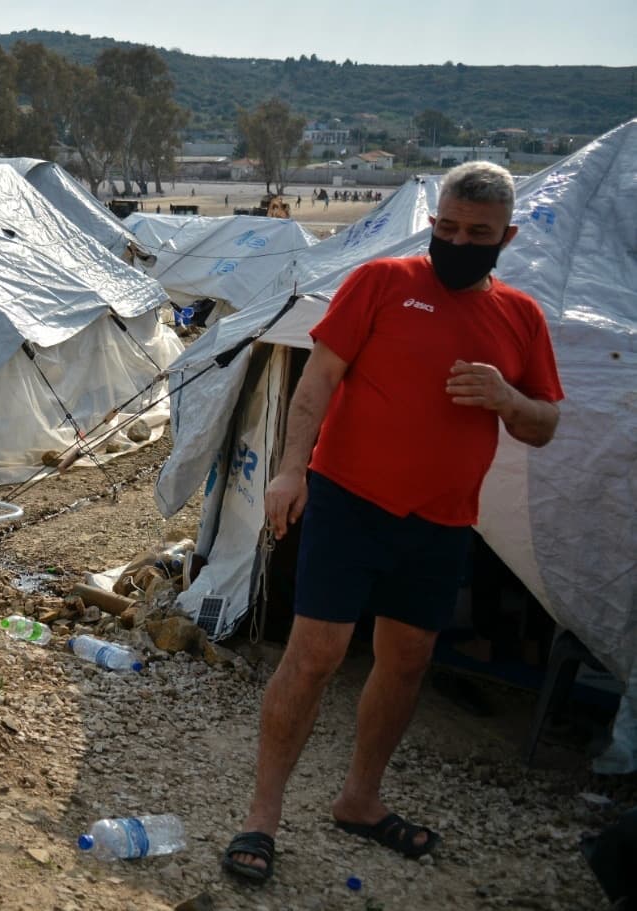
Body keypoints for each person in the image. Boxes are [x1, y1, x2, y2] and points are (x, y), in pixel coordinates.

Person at [221, 161, 564, 885]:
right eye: (446, 227)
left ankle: (360, 799)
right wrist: (290, 468)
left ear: (508, 235)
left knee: (406, 661)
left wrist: (506, 397)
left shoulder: (522, 318)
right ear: (433, 220)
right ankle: (261, 815)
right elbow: (316, 381)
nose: (457, 241)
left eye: (477, 233)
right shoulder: (382, 283)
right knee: (315, 655)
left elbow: (545, 424)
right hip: (349, 500)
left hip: (441, 521)